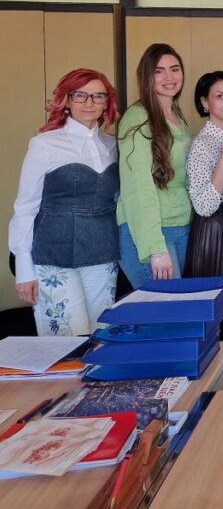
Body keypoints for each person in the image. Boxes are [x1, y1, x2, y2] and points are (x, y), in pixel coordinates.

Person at [9, 69, 120, 336]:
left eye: (98, 96)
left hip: (102, 252)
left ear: (106, 102)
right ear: (67, 100)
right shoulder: (44, 144)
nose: (89, 102)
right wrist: (24, 269)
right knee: (65, 340)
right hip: (52, 254)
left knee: (102, 336)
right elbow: (25, 207)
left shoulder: (113, 145)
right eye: (80, 95)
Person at [116, 43, 192, 287]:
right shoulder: (137, 117)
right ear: (146, 77)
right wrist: (155, 248)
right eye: (159, 71)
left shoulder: (177, 114)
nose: (169, 77)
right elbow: (138, 186)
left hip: (180, 224)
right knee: (167, 306)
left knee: (177, 304)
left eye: (175, 69)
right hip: (151, 232)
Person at [183, 71, 223, 278]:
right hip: (215, 232)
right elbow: (203, 206)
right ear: (205, 102)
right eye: (220, 96)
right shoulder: (201, 144)